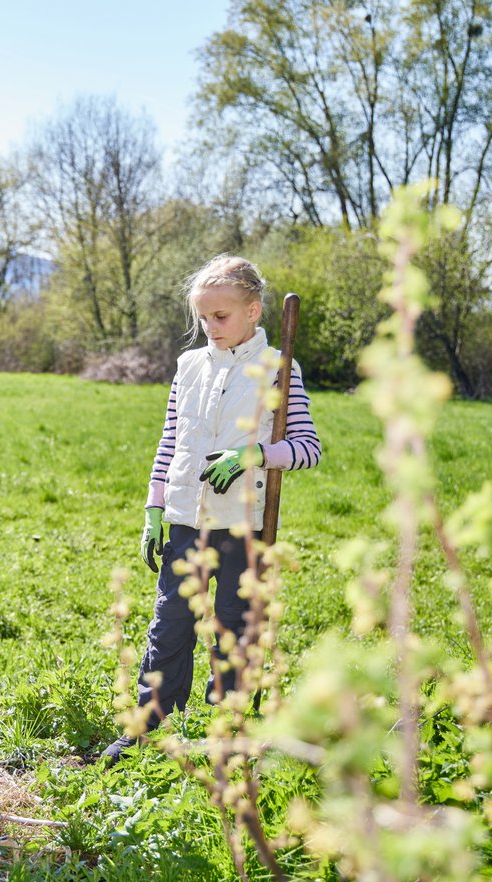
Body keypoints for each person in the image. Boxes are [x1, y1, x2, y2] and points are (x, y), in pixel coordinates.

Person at [101, 255, 322, 766]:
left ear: (253, 310)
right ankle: (147, 727)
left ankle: (225, 734)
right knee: (169, 625)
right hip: (184, 520)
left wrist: (255, 455)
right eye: (203, 316)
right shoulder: (189, 366)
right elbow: (170, 442)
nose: (210, 326)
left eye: (221, 316)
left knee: (233, 628)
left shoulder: (277, 371)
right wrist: (155, 507)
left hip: (241, 525)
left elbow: (308, 447)